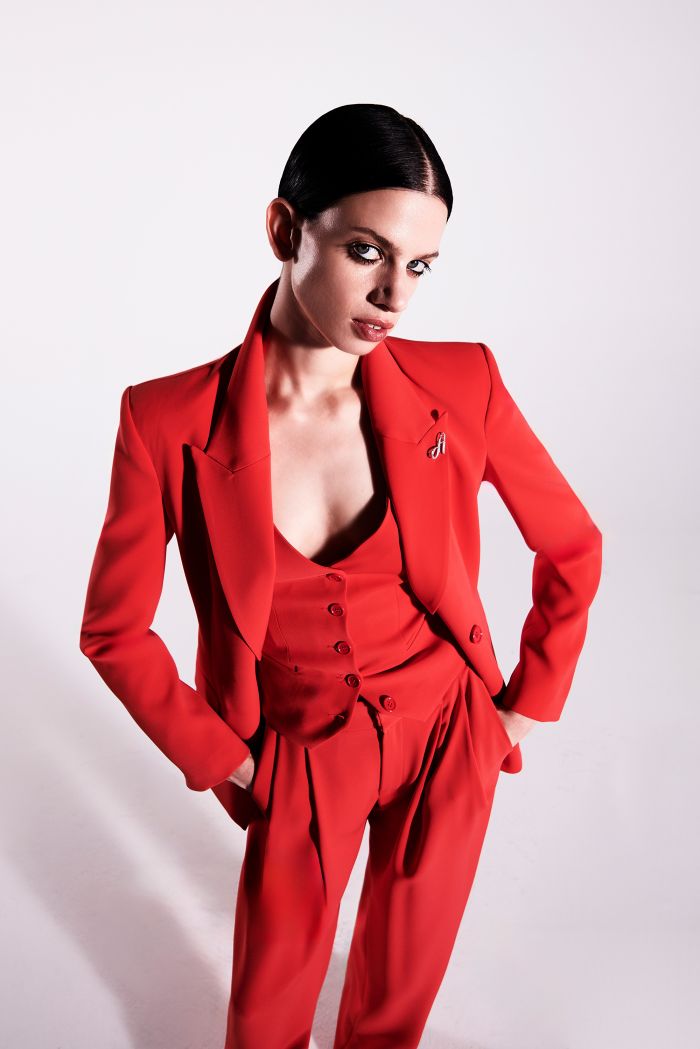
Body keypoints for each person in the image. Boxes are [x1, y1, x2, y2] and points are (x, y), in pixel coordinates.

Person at [79, 102, 603, 1049]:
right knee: (267, 1008)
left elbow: (572, 543)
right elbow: (114, 630)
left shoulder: (464, 384)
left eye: (421, 265)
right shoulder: (165, 422)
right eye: (368, 251)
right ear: (285, 229)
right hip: (299, 752)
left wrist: (520, 711)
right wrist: (231, 759)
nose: (395, 296)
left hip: (449, 730)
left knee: (396, 1003)